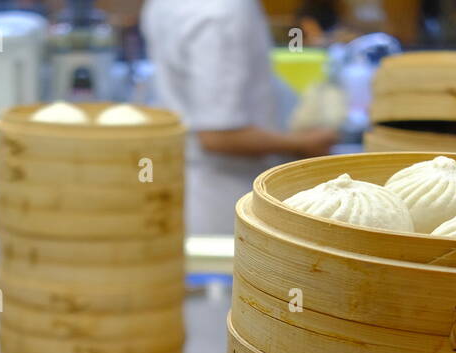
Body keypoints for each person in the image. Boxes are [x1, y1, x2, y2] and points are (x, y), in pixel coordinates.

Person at [141, 0, 339, 234]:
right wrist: (302, 143)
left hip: (189, 183)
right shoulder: (222, 12)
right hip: (226, 198)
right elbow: (219, 136)